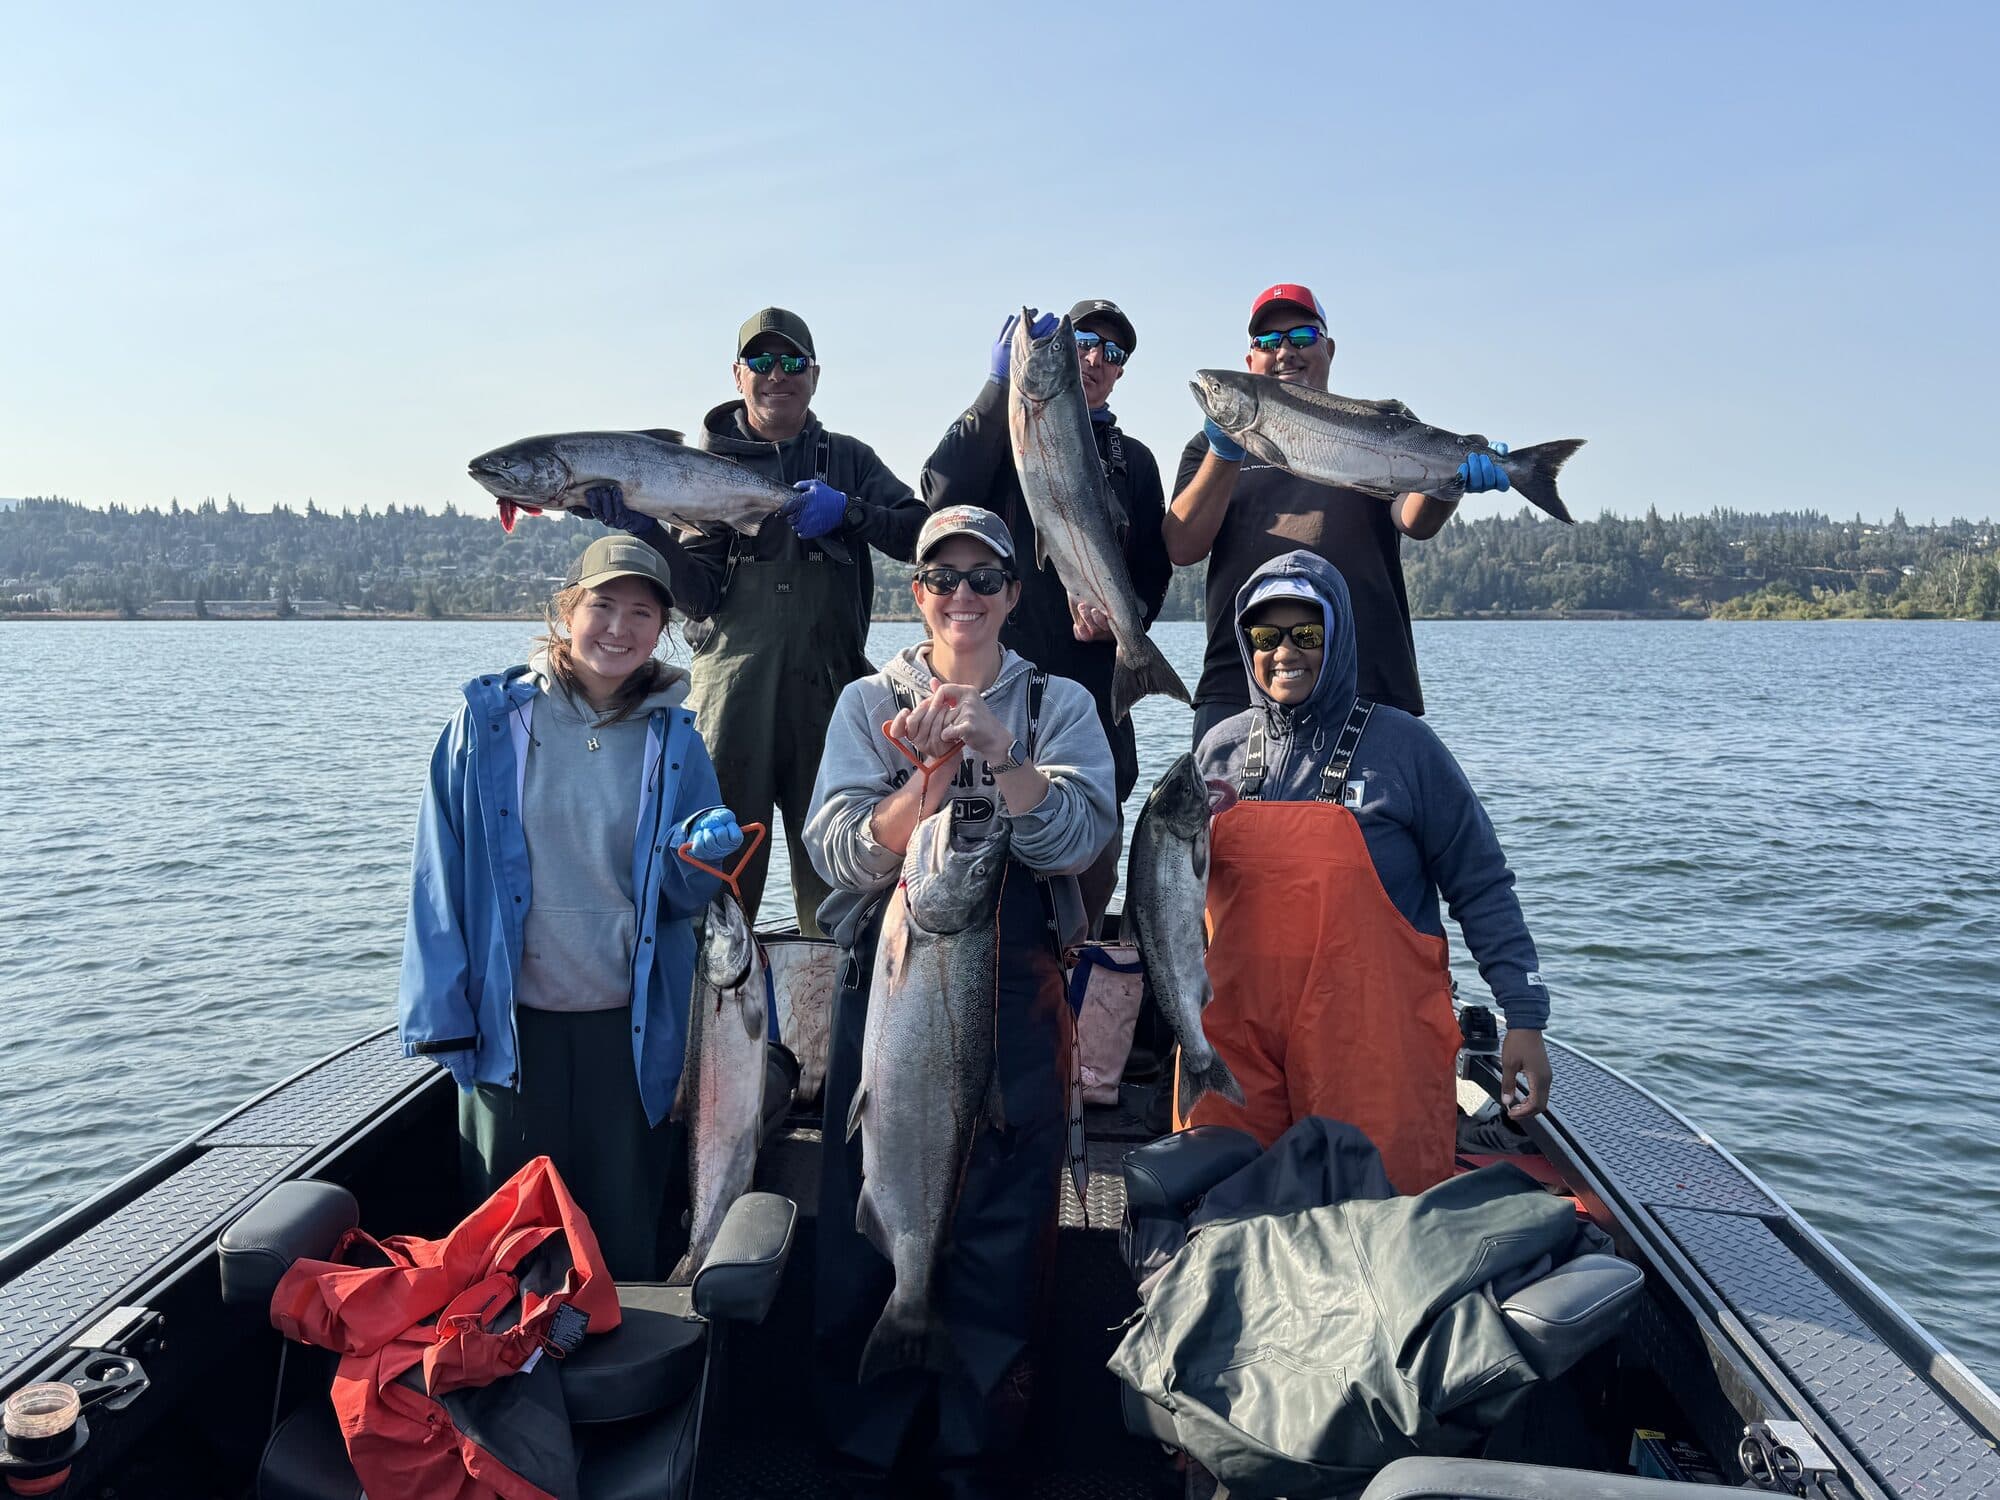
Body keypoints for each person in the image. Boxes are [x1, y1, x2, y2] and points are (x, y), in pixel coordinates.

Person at [803, 506, 1116, 1496]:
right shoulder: (866, 704)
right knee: (869, 1214)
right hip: (894, 986)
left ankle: (976, 1453)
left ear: (1015, 596)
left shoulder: (1056, 705)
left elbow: (1076, 839)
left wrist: (999, 751)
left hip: (1017, 999)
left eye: (986, 579)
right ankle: (862, 1438)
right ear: (918, 594)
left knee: (1000, 1232)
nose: (964, 597)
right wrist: (929, 777)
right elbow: (835, 851)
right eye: (944, 578)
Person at [396, 535, 745, 1279]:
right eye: (603, 606)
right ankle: (503, 1379)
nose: (618, 629)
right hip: (512, 1032)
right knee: (505, 1250)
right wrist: (439, 1017)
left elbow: (687, 902)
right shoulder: (489, 725)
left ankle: (623, 1384)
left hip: (633, 1031)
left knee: (622, 1242)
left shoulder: (678, 742)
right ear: (567, 611)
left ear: (662, 630)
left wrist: (703, 862)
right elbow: (438, 874)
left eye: (641, 613)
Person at [1188, 548, 1552, 1196]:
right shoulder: (1218, 750)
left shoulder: (1405, 747)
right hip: (1237, 1049)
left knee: (1379, 1239)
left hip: (1372, 1051)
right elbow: (1174, 897)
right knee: (1223, 1216)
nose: (1285, 652)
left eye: (1307, 633)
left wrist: (1523, 1015)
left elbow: (1481, 882)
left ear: (1340, 634)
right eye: (1266, 636)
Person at [584, 306, 926, 935]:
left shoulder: (848, 459)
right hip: (731, 697)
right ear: (737, 375)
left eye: (792, 362)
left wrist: (850, 511)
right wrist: (646, 529)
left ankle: (837, 1022)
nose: (778, 375)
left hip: (834, 697)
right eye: (762, 362)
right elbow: (701, 595)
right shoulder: (691, 467)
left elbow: (919, 533)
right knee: (716, 880)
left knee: (839, 881)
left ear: (815, 376)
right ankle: (715, 1025)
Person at [1164, 282, 1513, 746]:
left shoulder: (1381, 423)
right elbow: (1182, 546)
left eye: (1302, 337)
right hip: (1239, 685)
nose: (1285, 351)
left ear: (1328, 348)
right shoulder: (1207, 449)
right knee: (1230, 821)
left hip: (1369, 683)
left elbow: (1415, 521)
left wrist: (1451, 484)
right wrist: (1225, 451)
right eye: (1267, 343)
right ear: (1250, 363)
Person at [922, 300, 1171, 929]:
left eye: (1113, 354)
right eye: (1083, 342)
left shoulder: (1136, 462)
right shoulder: (1009, 437)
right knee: (968, 882)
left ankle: (1075, 1002)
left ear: (1120, 375)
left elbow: (1151, 575)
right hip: (996, 693)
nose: (1094, 359)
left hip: (1091, 698)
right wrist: (995, 387)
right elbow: (941, 490)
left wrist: (1124, 622)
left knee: (1089, 870)